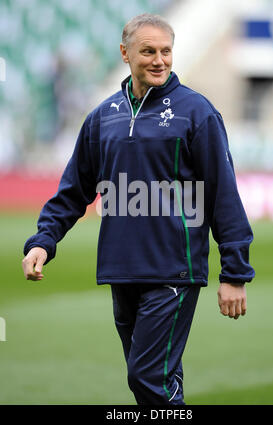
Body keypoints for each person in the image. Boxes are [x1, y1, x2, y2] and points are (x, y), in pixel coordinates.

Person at [22, 13, 255, 405]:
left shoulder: (196, 113)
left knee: (147, 377)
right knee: (159, 380)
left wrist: (235, 273)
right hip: (121, 270)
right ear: (125, 53)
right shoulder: (102, 117)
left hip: (173, 271)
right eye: (148, 51)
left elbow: (223, 195)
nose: (159, 60)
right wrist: (43, 240)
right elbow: (73, 191)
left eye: (166, 51)